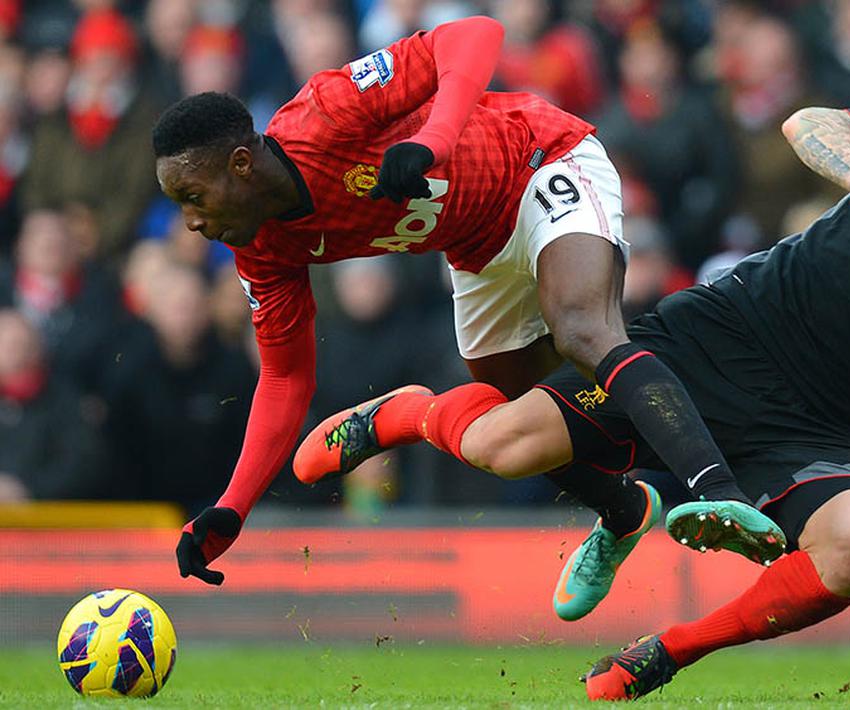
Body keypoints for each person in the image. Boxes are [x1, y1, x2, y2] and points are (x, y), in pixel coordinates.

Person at [304, 98, 850, 699]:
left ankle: (667, 654)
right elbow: (809, 122)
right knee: (502, 448)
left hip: (825, 423)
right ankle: (404, 411)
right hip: (724, 335)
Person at [155, 16, 783, 594]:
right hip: (476, 245)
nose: (189, 221)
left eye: (192, 195)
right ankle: (622, 511)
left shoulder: (326, 113)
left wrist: (434, 138)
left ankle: (721, 492)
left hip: (541, 162)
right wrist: (234, 506)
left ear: (240, 164)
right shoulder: (261, 249)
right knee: (514, 420)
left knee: (584, 330)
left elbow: (474, 33)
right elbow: (287, 376)